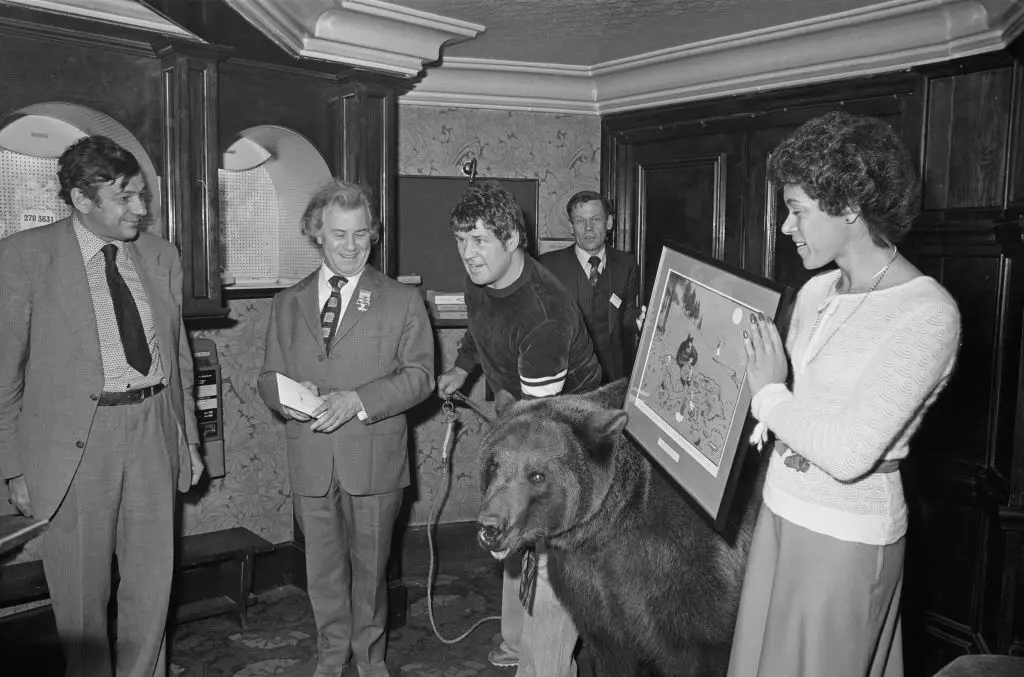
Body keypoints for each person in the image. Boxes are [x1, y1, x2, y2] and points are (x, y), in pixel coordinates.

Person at [731, 111, 961, 677]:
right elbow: (790, 405)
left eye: (797, 210)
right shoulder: (815, 290)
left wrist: (768, 395)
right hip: (781, 511)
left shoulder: (927, 314)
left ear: (851, 207)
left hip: (844, 534)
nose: (786, 227)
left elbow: (849, 450)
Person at [0, 135, 205, 677]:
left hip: (155, 427)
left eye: (141, 195)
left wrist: (189, 441)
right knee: (81, 596)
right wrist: (14, 466)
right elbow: (3, 374)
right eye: (124, 198)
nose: (139, 209)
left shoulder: (160, 255)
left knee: (151, 579)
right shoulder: (22, 257)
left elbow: (177, 355)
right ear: (80, 198)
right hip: (75, 441)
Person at [257, 179, 433, 677]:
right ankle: (331, 656)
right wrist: (286, 401)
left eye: (361, 235)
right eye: (339, 235)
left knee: (371, 571)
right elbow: (268, 376)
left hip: (373, 457)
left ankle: (370, 657)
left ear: (372, 234)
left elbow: (420, 377)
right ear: (317, 234)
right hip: (311, 456)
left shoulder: (401, 299)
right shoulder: (287, 302)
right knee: (323, 573)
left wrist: (358, 399)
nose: (352, 246)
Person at [436, 182, 602, 677]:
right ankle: (515, 642)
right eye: (462, 241)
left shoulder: (542, 312)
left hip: (567, 434)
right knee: (508, 528)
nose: (468, 254)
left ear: (512, 240)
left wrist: (515, 503)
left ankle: (544, 667)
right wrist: (463, 369)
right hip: (522, 413)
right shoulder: (482, 277)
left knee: (549, 554)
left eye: (480, 241)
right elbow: (478, 326)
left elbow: (541, 436)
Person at [538, 190, 643, 381]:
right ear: (572, 227)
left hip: (612, 377)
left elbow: (627, 312)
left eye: (595, 219)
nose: (588, 228)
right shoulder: (547, 266)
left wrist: (641, 321)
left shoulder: (626, 264)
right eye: (580, 221)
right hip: (567, 378)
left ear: (609, 223)